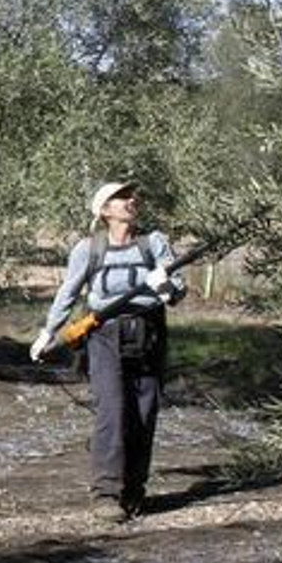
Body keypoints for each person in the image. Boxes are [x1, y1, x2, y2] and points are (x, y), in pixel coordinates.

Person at [30, 181, 185, 523]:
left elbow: (178, 292)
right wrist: (48, 333)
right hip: (102, 335)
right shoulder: (88, 249)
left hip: (150, 331)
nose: (131, 200)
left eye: (133, 195)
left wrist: (165, 287)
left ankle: (134, 491)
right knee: (111, 412)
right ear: (104, 211)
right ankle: (106, 494)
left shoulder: (155, 243)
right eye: (121, 198)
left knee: (144, 412)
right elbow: (68, 294)